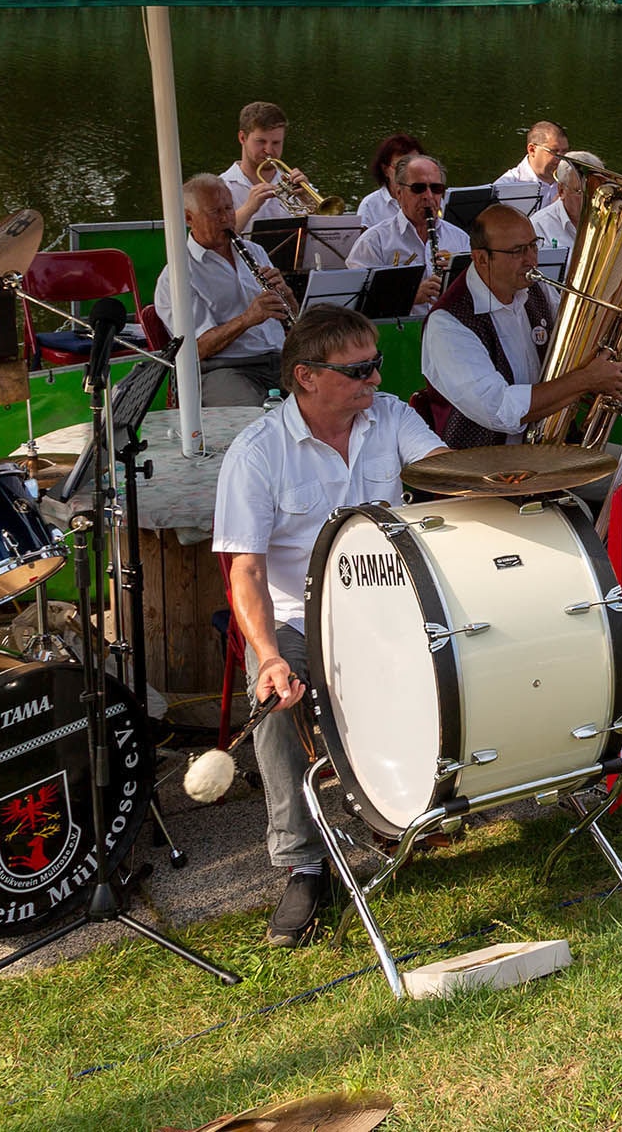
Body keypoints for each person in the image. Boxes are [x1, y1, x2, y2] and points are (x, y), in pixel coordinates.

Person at [212, 305, 449, 945]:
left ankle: (411, 804)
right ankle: (303, 865)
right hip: (300, 616)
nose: (375, 379)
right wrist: (266, 656)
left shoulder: (392, 415)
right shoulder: (257, 452)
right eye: (359, 370)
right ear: (305, 377)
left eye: (376, 364)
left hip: (395, 605)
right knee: (276, 706)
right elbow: (246, 572)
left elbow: (445, 476)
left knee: (469, 656)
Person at [418, 204, 622, 449]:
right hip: (482, 470)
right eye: (517, 251)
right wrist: (586, 380)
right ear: (482, 258)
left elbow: (580, 347)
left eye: (534, 245)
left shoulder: (537, 289)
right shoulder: (448, 324)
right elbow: (500, 410)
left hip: (551, 448)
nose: (532, 260)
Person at [155, 174, 294, 406]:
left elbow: (290, 317)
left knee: (330, 394)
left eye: (229, 208)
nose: (226, 219)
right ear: (189, 217)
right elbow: (194, 350)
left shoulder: (255, 251)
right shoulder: (177, 276)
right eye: (215, 212)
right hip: (222, 370)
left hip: (279, 359)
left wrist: (287, 296)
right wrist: (248, 319)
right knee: (258, 412)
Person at [345, 151, 467, 305]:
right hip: (398, 327)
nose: (428, 196)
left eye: (436, 188)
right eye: (418, 188)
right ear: (399, 193)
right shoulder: (373, 242)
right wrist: (408, 297)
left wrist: (459, 279)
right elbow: (355, 306)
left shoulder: (461, 239)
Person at [222, 100, 318, 233]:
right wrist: (249, 208)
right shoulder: (221, 187)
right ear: (242, 138)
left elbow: (331, 234)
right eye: (261, 141)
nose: (269, 150)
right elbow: (215, 239)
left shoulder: (297, 185)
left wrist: (307, 200)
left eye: (276, 143)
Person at [532, 152, 603, 262]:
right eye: (581, 192)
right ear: (561, 191)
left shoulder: (610, 222)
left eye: (597, 192)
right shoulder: (538, 226)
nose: (592, 200)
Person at [492, 121, 569, 214]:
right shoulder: (504, 187)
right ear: (532, 150)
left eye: (564, 152)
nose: (562, 159)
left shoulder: (573, 183)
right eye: (554, 151)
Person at [354, 131, 423, 228]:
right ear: (385, 170)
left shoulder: (431, 198)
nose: (410, 172)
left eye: (416, 165)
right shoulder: (370, 205)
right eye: (401, 166)